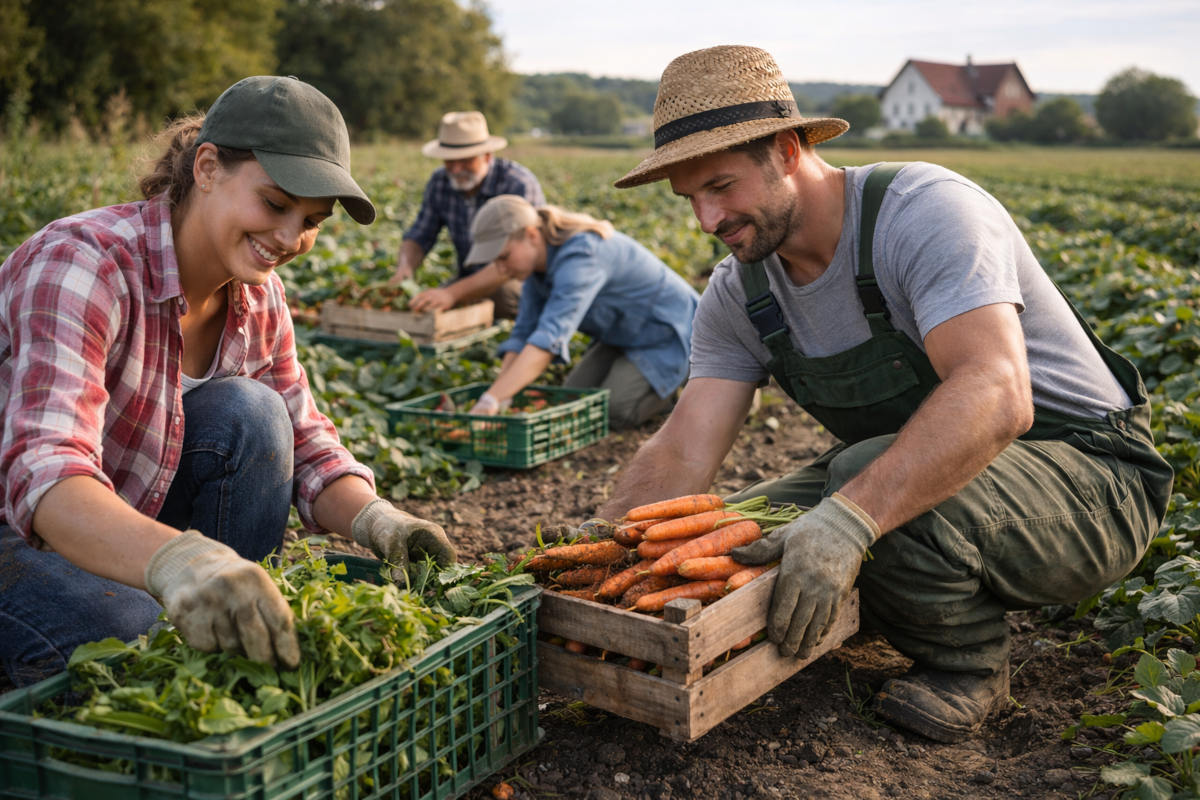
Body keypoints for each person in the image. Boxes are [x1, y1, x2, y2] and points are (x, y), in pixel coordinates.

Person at [596, 45, 1173, 742]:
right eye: (689, 197)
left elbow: (997, 392)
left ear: (785, 149)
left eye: (721, 185)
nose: (707, 219)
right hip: (955, 473)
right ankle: (887, 590)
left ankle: (968, 667)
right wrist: (605, 557)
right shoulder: (738, 291)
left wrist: (849, 520)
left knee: (852, 489)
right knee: (744, 524)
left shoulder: (922, 213)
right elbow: (685, 446)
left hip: (1090, 480)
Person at [0, 75, 457, 688]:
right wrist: (177, 559)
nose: (291, 238)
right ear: (208, 167)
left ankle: (219, 624)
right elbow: (47, 473)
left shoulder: (258, 295)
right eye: (275, 204)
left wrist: (382, 522)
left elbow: (305, 439)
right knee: (135, 638)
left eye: (312, 220)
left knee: (256, 414)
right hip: (19, 532)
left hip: (118, 520)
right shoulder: (84, 264)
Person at [462, 195, 699, 431]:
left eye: (504, 257)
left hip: (670, 333)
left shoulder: (582, 255)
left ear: (532, 235)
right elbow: (523, 333)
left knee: (614, 411)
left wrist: (491, 399)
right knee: (572, 401)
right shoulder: (537, 272)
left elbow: (548, 339)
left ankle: (684, 383)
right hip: (622, 336)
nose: (501, 269)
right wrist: (500, 393)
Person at [393, 111, 545, 320]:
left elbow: (517, 260)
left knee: (502, 296)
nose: (455, 169)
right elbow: (420, 234)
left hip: (516, 278)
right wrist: (405, 267)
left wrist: (452, 293)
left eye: (465, 160)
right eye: (449, 161)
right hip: (469, 277)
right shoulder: (440, 182)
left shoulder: (517, 183)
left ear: (487, 155)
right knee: (423, 305)